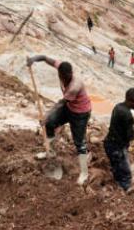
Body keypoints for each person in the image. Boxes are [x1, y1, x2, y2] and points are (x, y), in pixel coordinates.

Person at [26, 54, 92, 185]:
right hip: (69, 107)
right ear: (61, 74)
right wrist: (33, 59)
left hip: (81, 113)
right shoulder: (61, 67)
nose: (66, 78)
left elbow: (60, 103)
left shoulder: (75, 86)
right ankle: (50, 151)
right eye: (64, 77)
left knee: (79, 143)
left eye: (68, 76)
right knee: (50, 124)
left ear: (71, 74)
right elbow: (45, 58)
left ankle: (84, 172)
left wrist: (46, 115)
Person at [104, 88, 134, 191]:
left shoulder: (118, 107)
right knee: (126, 173)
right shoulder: (127, 115)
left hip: (109, 143)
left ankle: (117, 181)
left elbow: (125, 127)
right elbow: (131, 136)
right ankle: (126, 190)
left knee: (117, 166)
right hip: (117, 147)